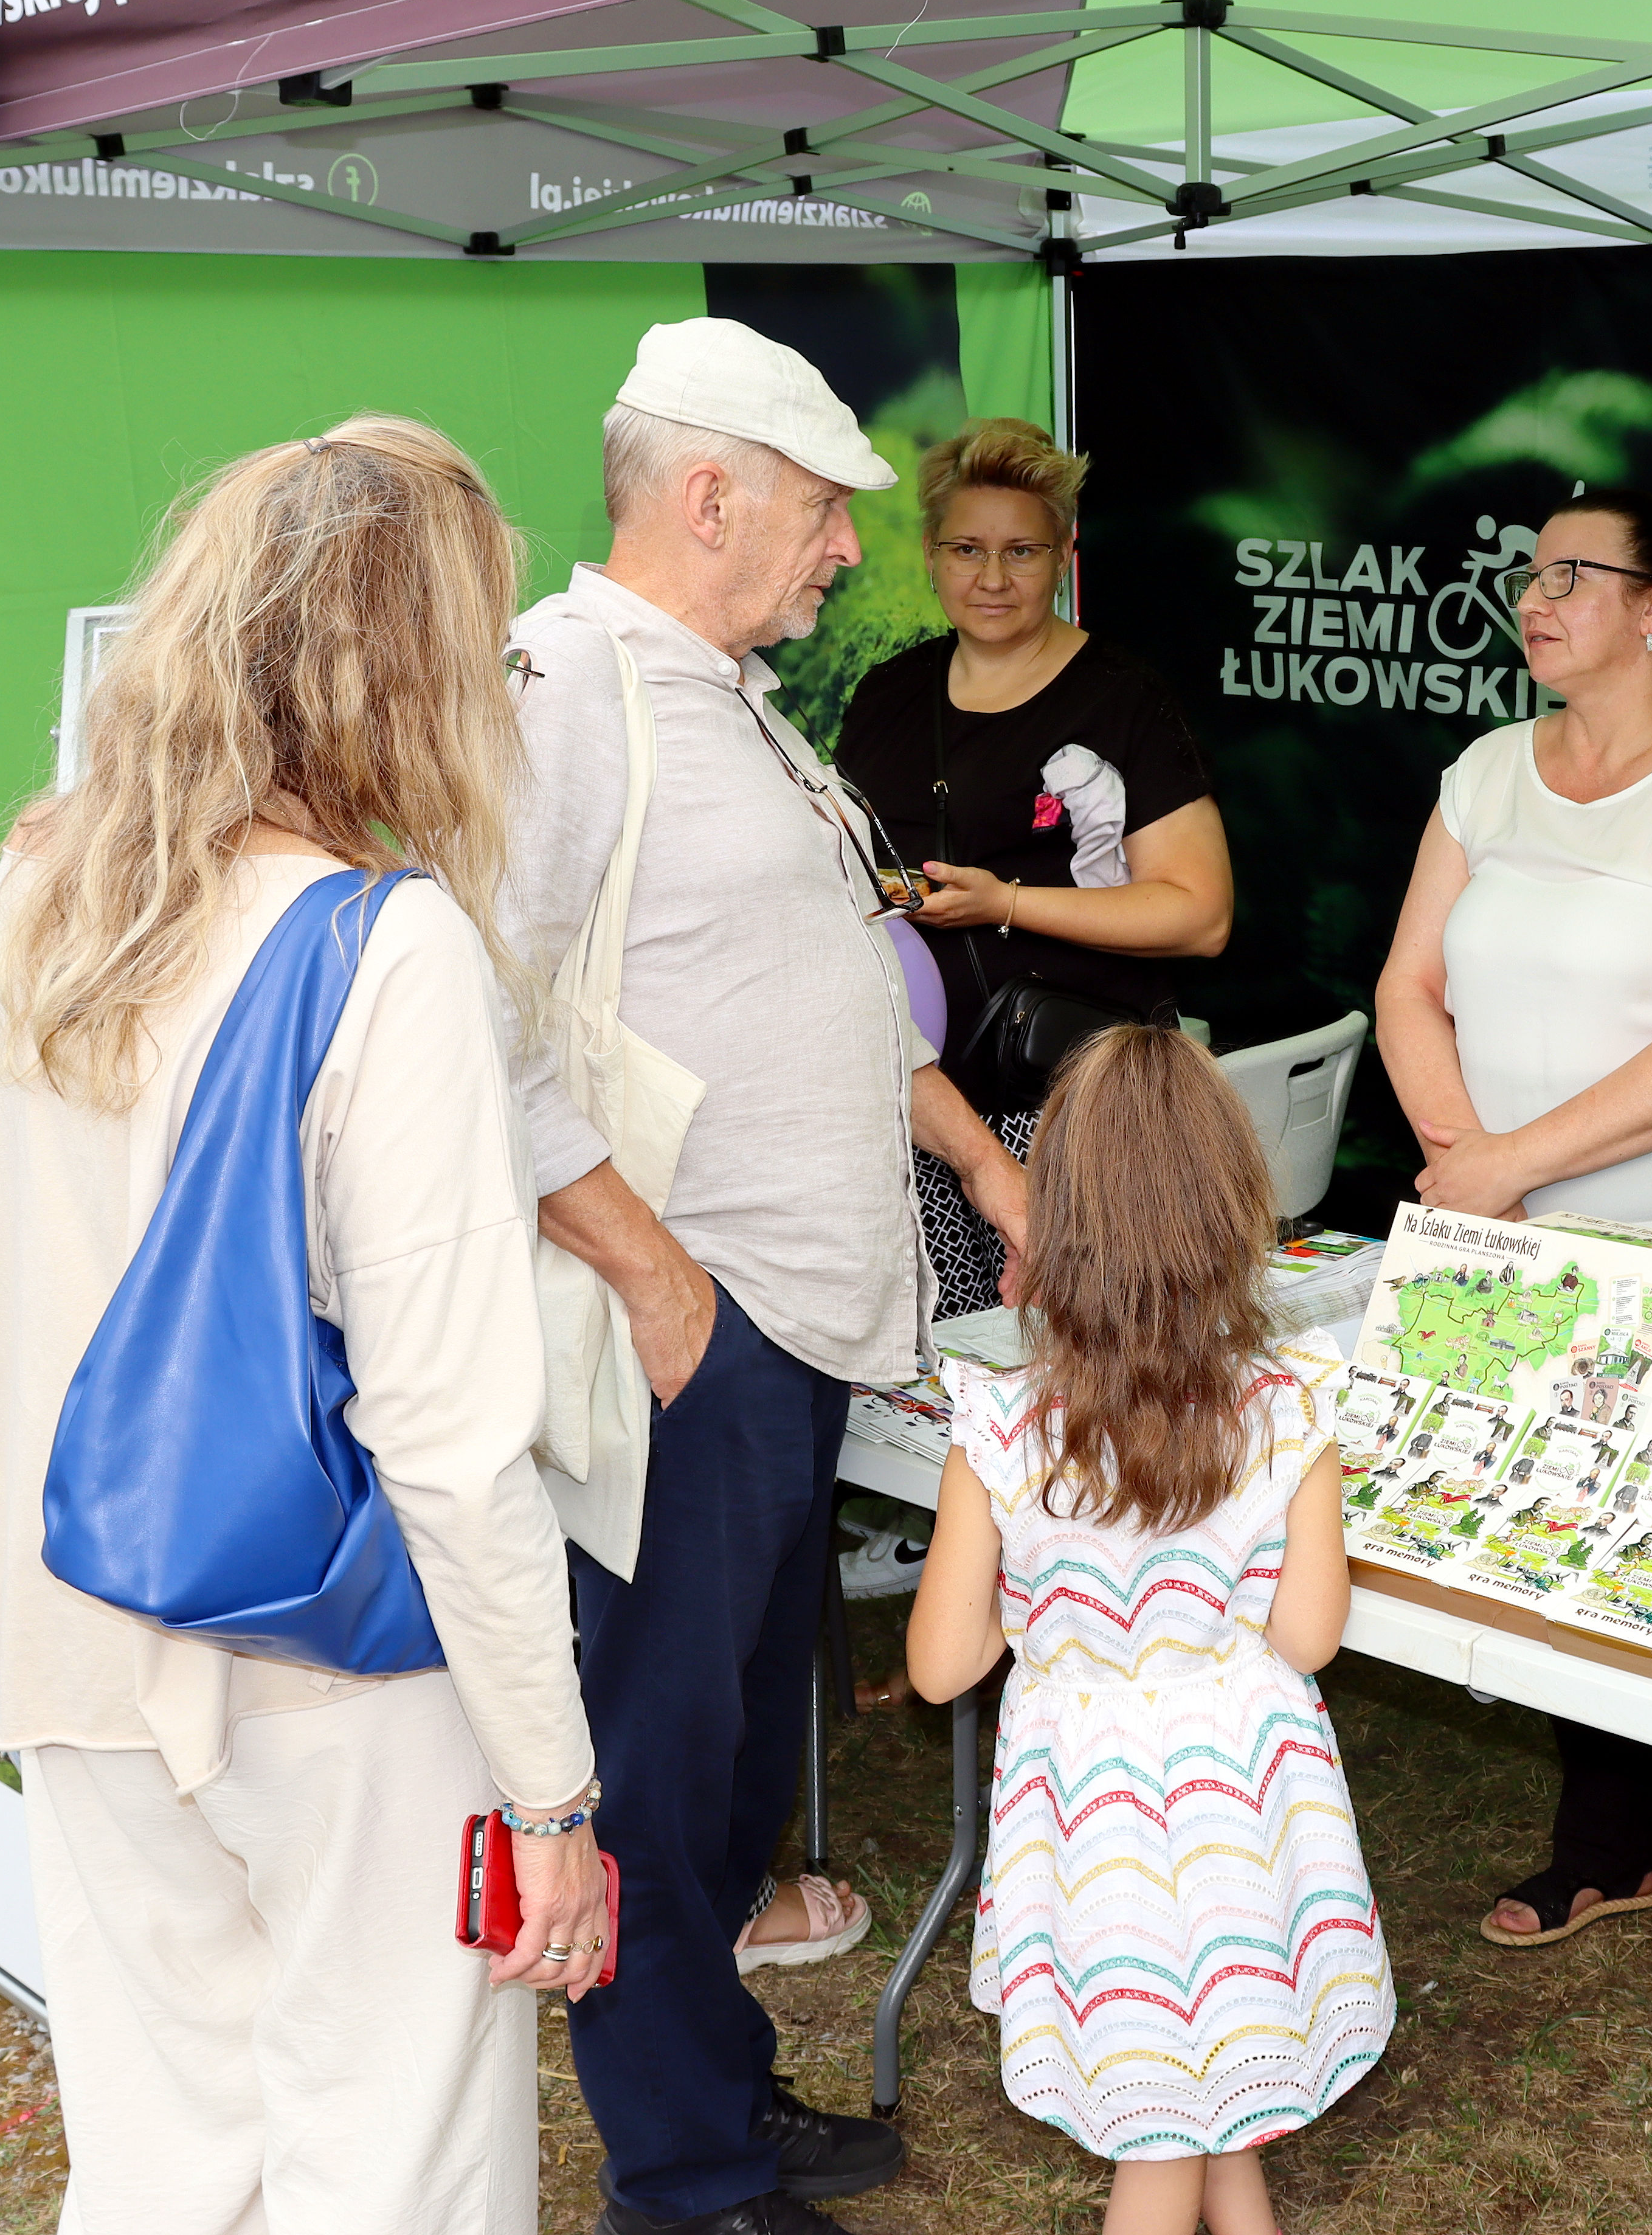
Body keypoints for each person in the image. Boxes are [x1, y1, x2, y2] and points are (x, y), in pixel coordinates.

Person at [0, 416, 607, 2232]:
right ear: (417, 670)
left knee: (162, 2161)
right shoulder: (388, 946)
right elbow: (451, 1439)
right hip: (335, 1669)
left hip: (79, 1622)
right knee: (396, 2161)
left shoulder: (41, 890)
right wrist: (554, 1794)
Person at [500, 321, 1032, 2235]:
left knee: (731, 1775)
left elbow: (827, 995)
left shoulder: (726, 695)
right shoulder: (565, 691)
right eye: (824, 511)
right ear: (711, 495)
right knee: (659, 1771)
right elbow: (477, 1024)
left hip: (782, 1332)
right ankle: (685, 2180)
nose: (848, 550)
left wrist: (981, 1159)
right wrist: (660, 1285)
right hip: (693, 1333)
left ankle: (713, 2092)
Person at [1374, 483, 1652, 2009]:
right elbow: (1407, 986)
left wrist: (1505, 1164)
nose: (1536, 596)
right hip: (1515, 1229)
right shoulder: (1489, 770)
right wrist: (1466, 1158)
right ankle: (1602, 1843)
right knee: (1558, 1539)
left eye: (1574, 573)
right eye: (1530, 574)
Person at [905, 1025, 1389, 2235]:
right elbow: (1311, 1637)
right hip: (1244, 1803)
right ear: (1234, 1209)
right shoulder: (1292, 1405)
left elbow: (942, 1664)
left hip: (1093, 1817)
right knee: (1197, 2100)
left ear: (1055, 1222)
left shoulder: (1000, 1425)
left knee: (1175, 2116)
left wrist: (1049, 1599)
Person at [837, 418, 1233, 1322]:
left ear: (1063, 558)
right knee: (944, 1352)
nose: (992, 578)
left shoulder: (1123, 700)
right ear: (930, 556)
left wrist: (1005, 903)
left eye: (1021, 552)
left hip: (1072, 1099)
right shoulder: (887, 694)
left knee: (1087, 1339)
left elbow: (1200, 914)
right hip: (920, 1102)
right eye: (966, 550)